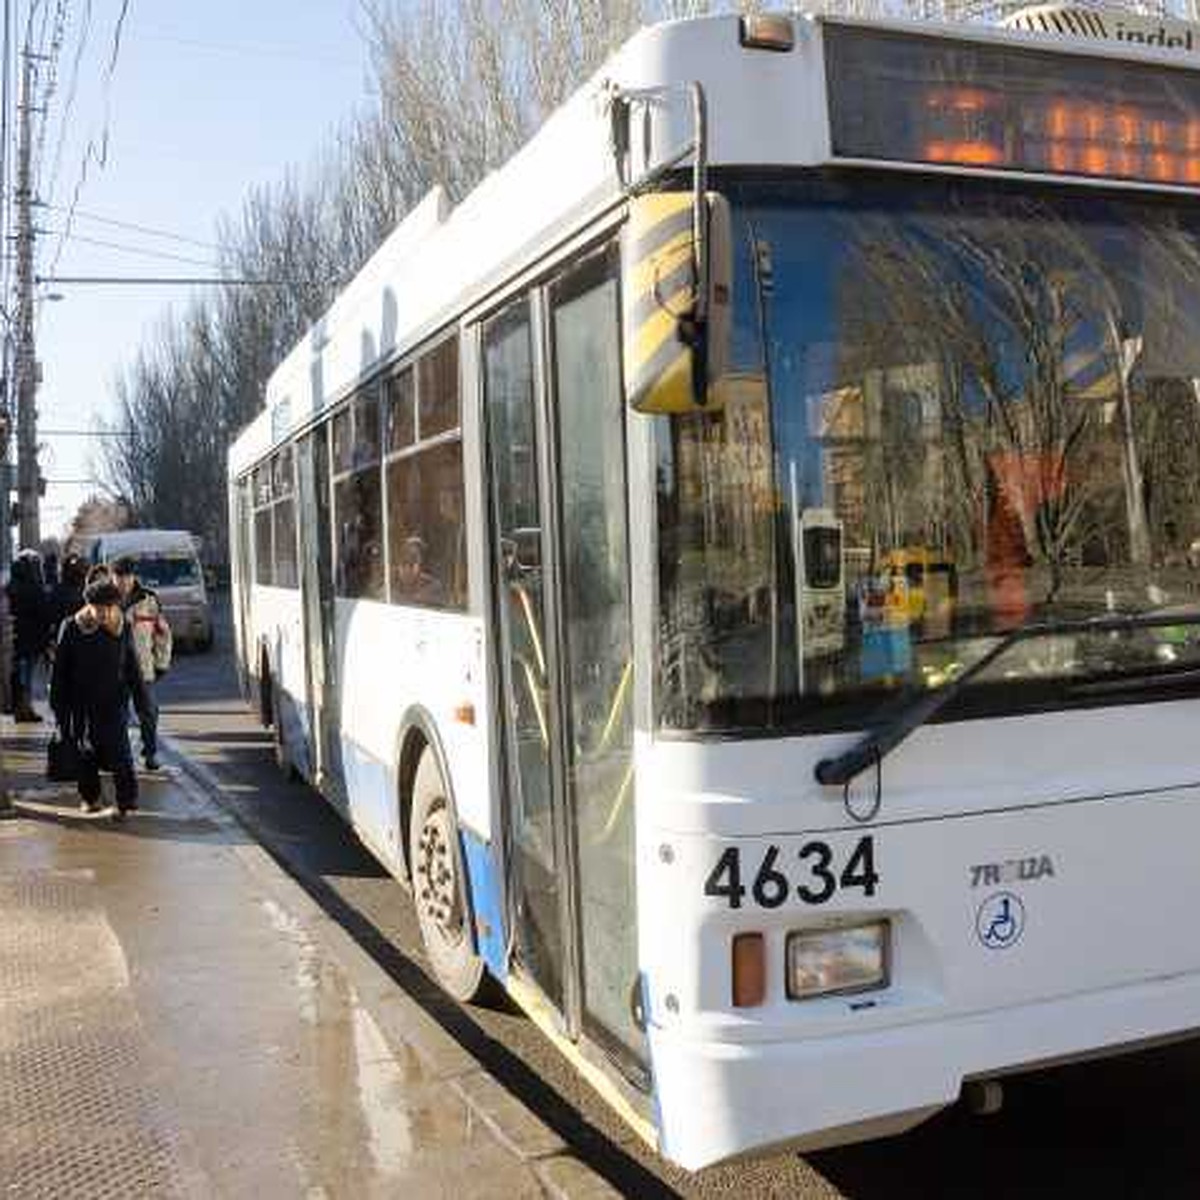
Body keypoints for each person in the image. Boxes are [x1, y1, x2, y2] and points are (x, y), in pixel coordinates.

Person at [50, 576, 149, 819]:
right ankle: (90, 797)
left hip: (113, 701)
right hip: (80, 703)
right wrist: (59, 708)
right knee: (86, 753)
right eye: (98, 609)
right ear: (88, 606)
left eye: (108, 608)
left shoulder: (121, 627)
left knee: (120, 752)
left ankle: (126, 800)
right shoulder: (72, 627)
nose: (103, 614)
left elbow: (132, 668)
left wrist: (142, 700)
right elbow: (59, 671)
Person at [111, 556, 171, 770]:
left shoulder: (148, 599)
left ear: (133, 576)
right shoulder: (105, 600)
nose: (123, 581)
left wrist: (161, 663)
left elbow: (162, 633)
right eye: (119, 577)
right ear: (112, 577)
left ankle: (150, 753)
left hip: (142, 668)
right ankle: (122, 755)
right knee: (118, 715)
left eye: (127, 576)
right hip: (114, 671)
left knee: (148, 713)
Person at [7, 549, 50, 723]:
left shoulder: (10, 587)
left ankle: (20, 708)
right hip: (31, 639)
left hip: (13, 639)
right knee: (27, 675)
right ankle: (25, 709)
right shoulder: (34, 588)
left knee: (18, 675)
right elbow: (43, 613)